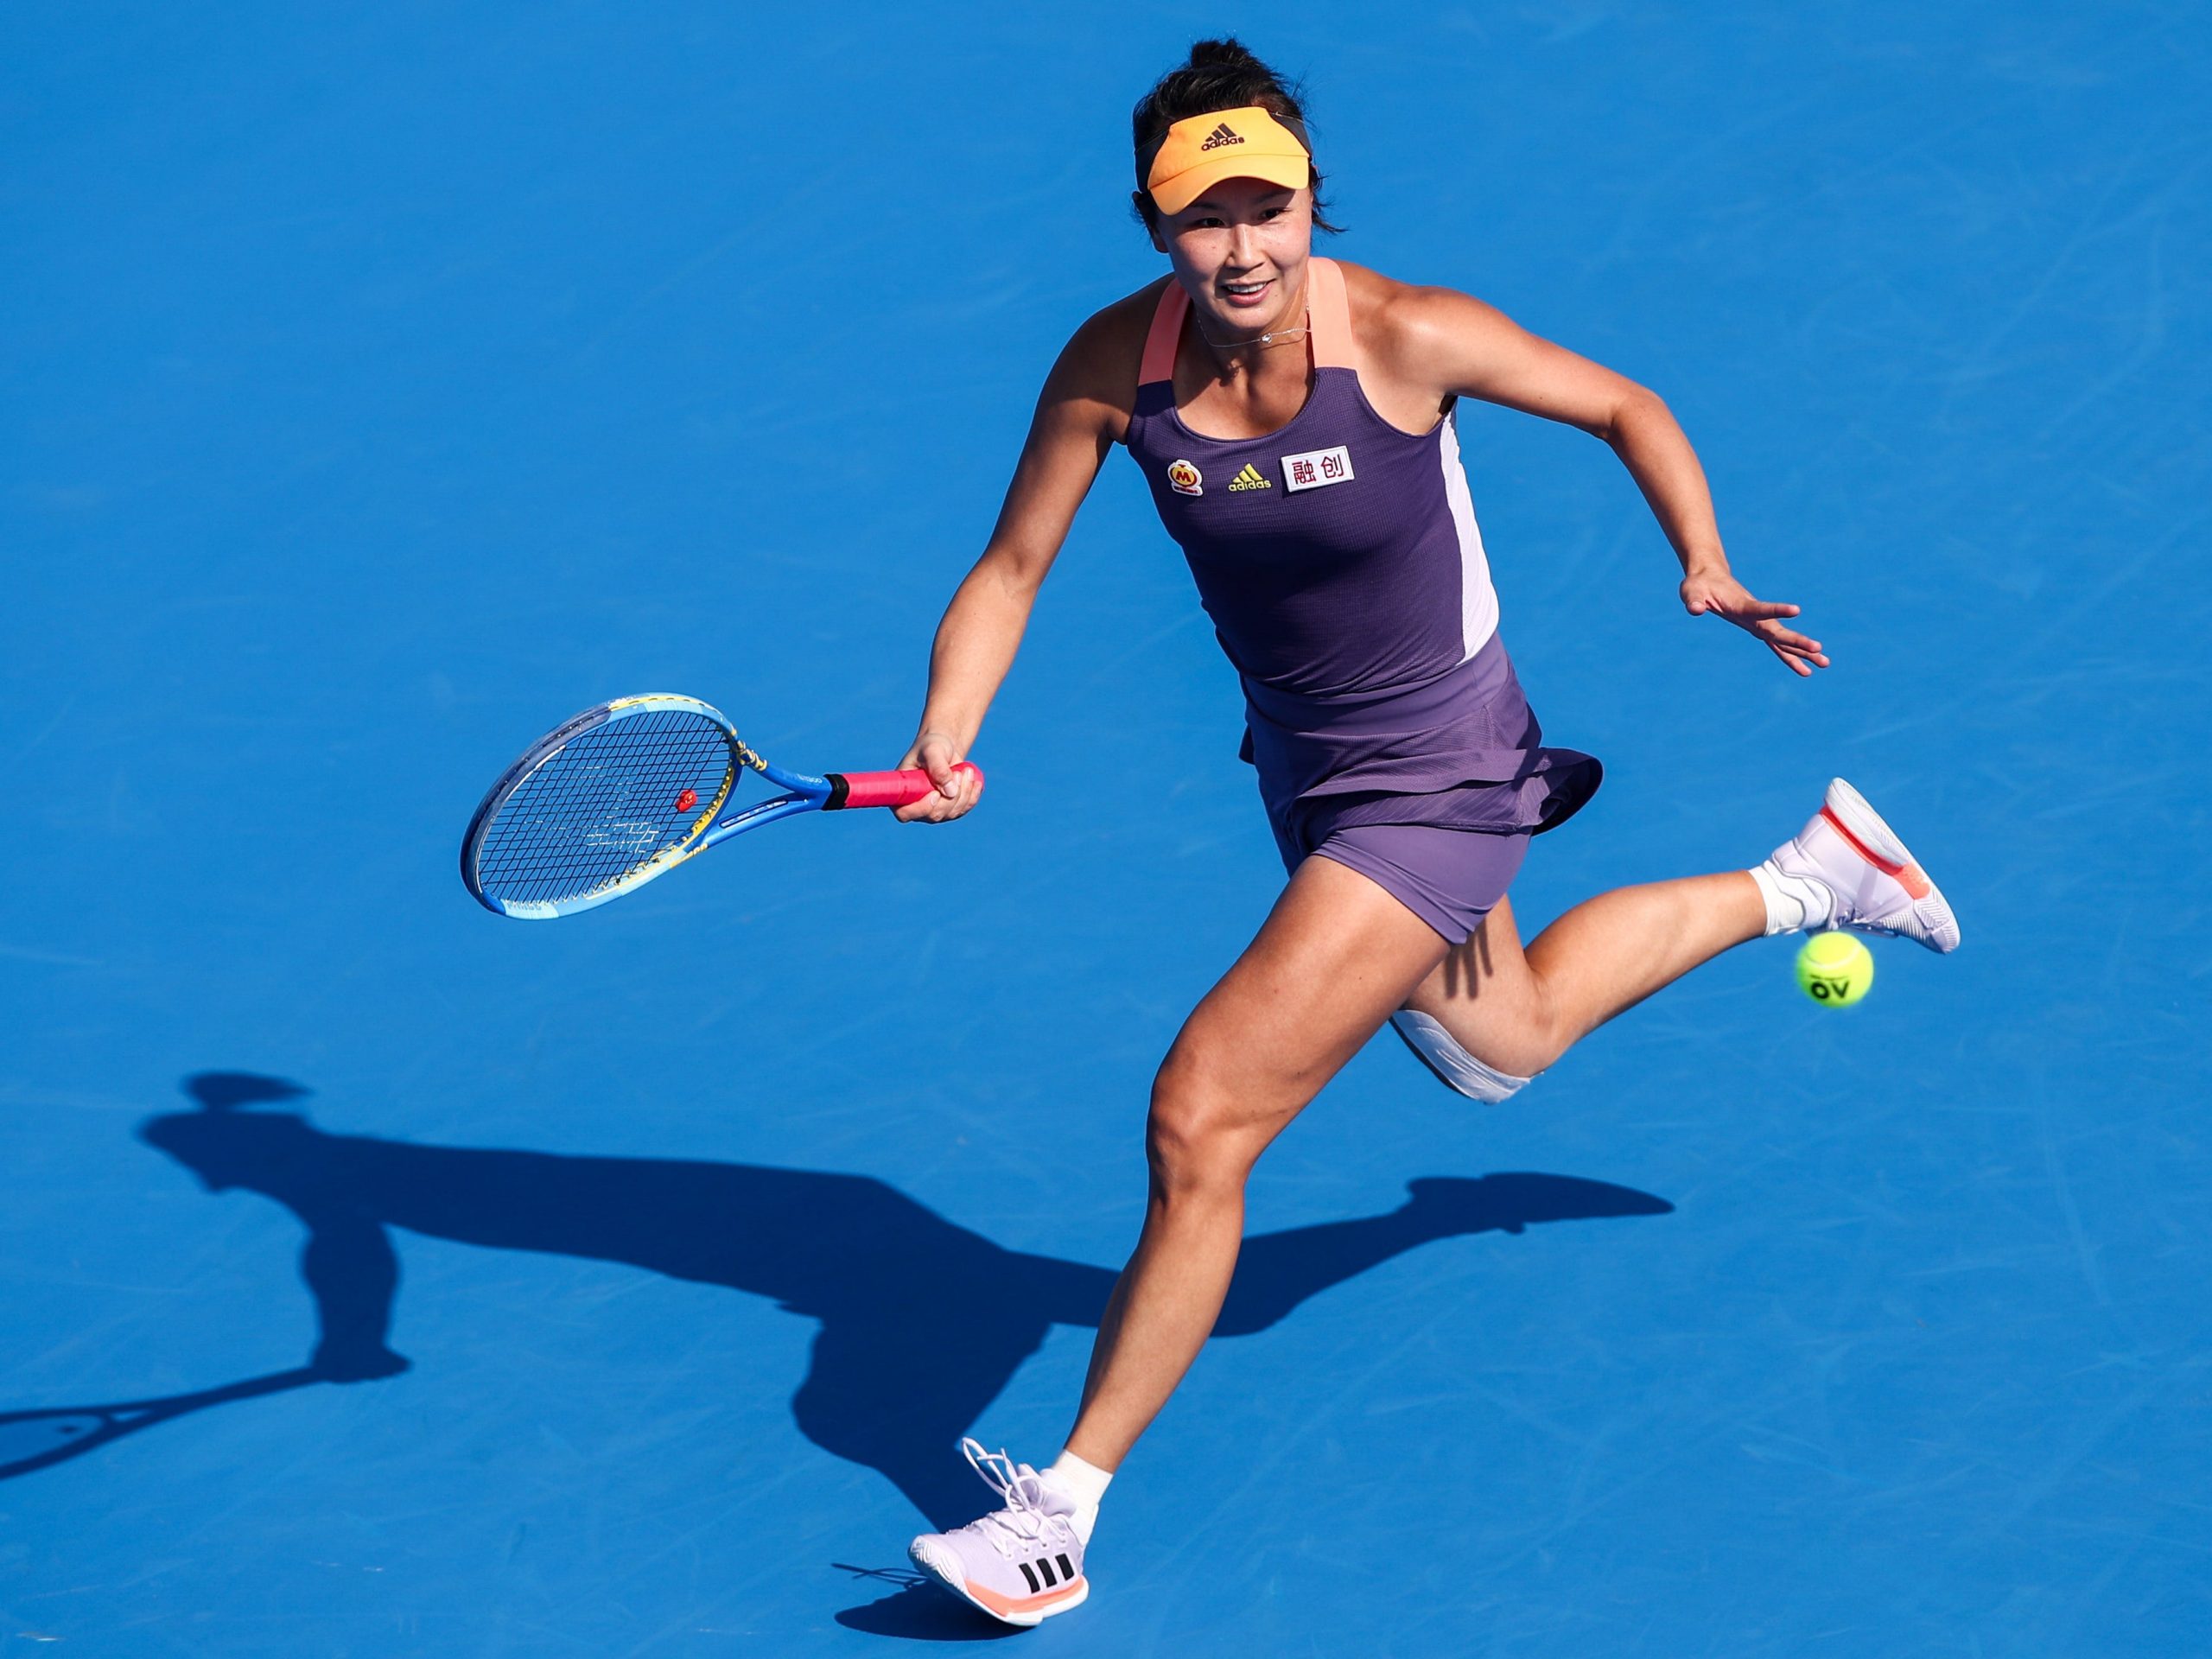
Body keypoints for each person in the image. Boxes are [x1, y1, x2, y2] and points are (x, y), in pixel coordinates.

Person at [893, 39, 1960, 1627]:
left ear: (1315, 200)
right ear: (1153, 226)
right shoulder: (1113, 366)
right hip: (1307, 767)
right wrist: (949, 729)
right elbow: (1010, 567)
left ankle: (1063, 1508)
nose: (1245, 247)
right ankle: (1813, 876)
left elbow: (1623, 402)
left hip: (1441, 771)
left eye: (1272, 210)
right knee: (1498, 1045)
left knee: (1204, 1119)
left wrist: (1703, 560)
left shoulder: (1404, 333)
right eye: (1206, 219)